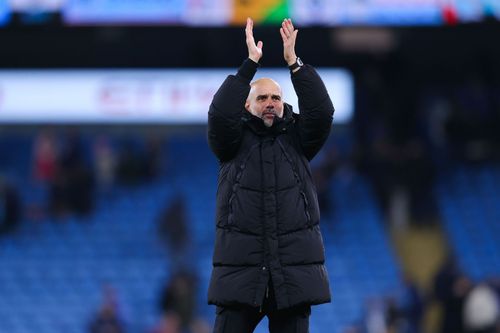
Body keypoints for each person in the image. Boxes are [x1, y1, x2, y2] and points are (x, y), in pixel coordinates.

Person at [207, 17, 334, 333]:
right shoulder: (232, 142)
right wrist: (249, 65)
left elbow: (322, 111)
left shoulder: (298, 138)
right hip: (241, 277)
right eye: (262, 98)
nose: (270, 104)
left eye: (276, 98)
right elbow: (220, 115)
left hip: (290, 279)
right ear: (247, 105)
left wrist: (295, 64)